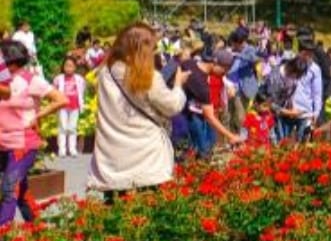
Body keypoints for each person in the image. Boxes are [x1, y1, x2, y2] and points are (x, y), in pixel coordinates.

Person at [87, 23, 189, 199]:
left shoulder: (105, 73)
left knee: (115, 211)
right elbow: (172, 106)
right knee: (147, 212)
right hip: (147, 157)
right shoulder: (148, 77)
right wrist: (179, 84)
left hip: (112, 158)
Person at [0, 40, 64, 228]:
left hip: (22, 144)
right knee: (20, 190)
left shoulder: (31, 80)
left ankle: (3, 233)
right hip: (3, 143)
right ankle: (39, 228)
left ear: (10, 61)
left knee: (9, 188)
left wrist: (38, 115)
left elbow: (61, 99)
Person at [53, 56, 87, 157]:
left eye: (71, 66)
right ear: (63, 67)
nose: (69, 68)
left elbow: (82, 90)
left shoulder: (79, 79)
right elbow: (54, 90)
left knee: (72, 127)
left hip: (74, 106)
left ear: (75, 67)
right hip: (62, 106)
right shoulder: (58, 78)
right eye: (67, 66)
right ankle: (62, 149)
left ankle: (72, 149)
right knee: (62, 127)